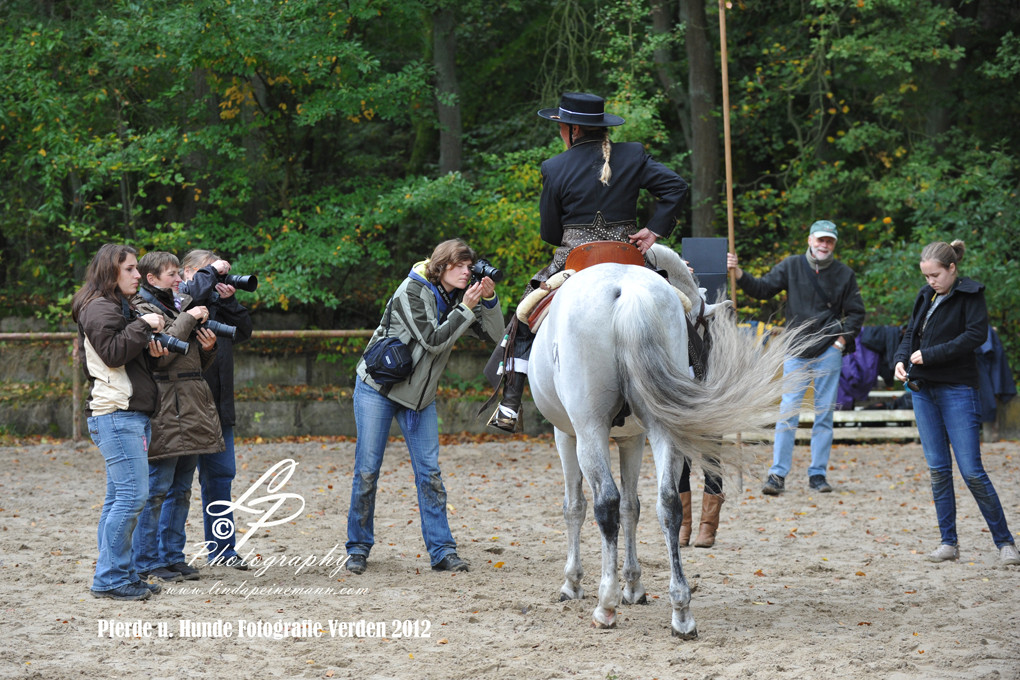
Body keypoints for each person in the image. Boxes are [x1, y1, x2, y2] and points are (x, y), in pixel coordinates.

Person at [488, 92, 688, 432]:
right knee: (684, 310)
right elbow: (677, 188)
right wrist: (654, 230)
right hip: (631, 260)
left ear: (573, 129)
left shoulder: (554, 167)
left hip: (575, 263)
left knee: (524, 314)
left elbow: (551, 233)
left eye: (560, 128)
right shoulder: (634, 154)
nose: (559, 134)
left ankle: (510, 403)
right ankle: (696, 378)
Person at [346, 239, 504, 574]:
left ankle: (443, 552)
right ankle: (358, 548)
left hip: (419, 398)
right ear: (442, 265)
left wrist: (488, 300)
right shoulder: (411, 290)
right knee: (367, 471)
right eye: (460, 266)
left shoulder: (461, 297)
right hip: (378, 389)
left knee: (429, 475)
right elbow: (432, 341)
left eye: (469, 266)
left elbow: (495, 334)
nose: (467, 272)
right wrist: (465, 307)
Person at [893, 240, 1019, 566]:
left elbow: (975, 336)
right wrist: (899, 359)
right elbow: (910, 335)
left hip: (958, 390)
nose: (930, 281)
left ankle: (1005, 543)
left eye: (935, 275)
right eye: (926, 276)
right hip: (922, 390)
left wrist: (931, 354)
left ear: (951, 268)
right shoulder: (926, 295)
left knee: (972, 471)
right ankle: (948, 542)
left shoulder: (971, 295)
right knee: (938, 470)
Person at [727, 220, 865, 495]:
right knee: (787, 413)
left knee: (824, 415)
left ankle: (817, 475)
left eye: (829, 241)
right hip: (796, 349)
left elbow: (856, 312)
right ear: (810, 240)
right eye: (820, 239)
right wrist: (739, 272)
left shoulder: (844, 274)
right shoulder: (791, 266)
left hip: (828, 350)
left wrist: (842, 340)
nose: (824, 245)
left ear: (834, 244)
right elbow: (763, 289)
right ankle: (777, 475)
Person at [72, 244, 167, 600]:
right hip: (115, 414)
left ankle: (120, 573)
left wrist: (152, 352)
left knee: (119, 498)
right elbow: (111, 354)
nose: (137, 275)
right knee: (132, 497)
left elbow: (126, 360)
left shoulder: (114, 305)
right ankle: (110, 578)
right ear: (110, 271)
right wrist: (143, 325)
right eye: (129, 269)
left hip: (126, 413)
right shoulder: (99, 306)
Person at [131, 251, 225, 582]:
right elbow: (161, 360)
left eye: (176, 273)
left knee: (182, 488)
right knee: (157, 488)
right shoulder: (142, 310)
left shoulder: (174, 306)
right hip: (165, 410)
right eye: (171, 274)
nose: (177, 279)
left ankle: (173, 556)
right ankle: (146, 560)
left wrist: (209, 348)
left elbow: (192, 363)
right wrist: (188, 317)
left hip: (191, 405)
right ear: (152, 279)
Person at [179, 250, 254, 570]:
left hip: (220, 408)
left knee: (220, 479)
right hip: (185, 409)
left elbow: (245, 331)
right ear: (187, 273)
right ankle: (166, 556)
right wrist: (211, 274)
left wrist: (230, 301)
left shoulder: (216, 302)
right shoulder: (179, 302)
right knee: (175, 486)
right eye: (207, 272)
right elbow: (191, 298)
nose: (215, 278)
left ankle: (223, 550)